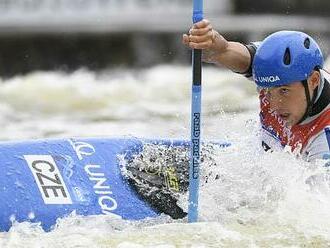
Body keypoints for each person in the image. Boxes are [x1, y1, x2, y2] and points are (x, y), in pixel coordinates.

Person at [182, 19, 330, 162]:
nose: (273, 106)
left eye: (284, 91)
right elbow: (235, 54)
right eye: (268, 92)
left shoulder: (325, 140)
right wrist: (218, 49)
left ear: (313, 80)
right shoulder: (272, 68)